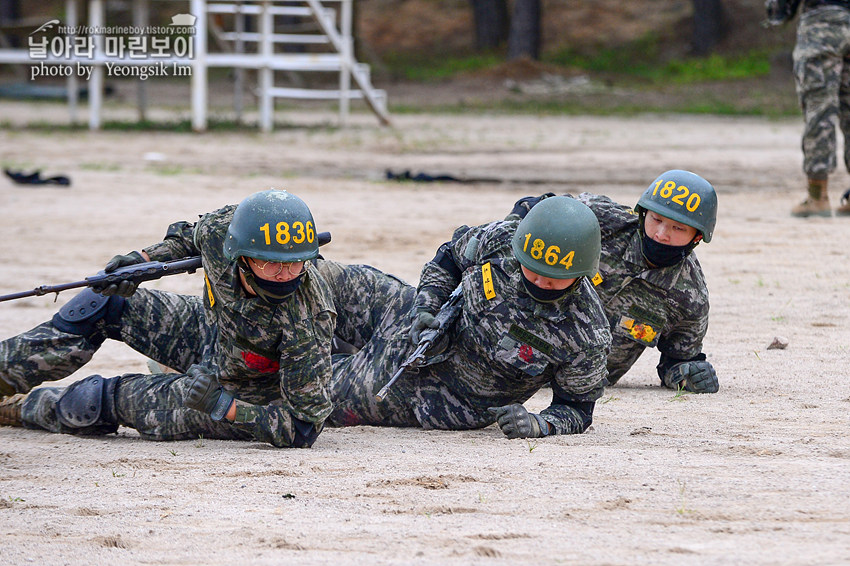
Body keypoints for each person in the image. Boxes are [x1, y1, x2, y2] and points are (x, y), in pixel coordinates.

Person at [0, 189, 335, 448]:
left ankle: (20, 409)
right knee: (103, 302)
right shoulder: (225, 232)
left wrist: (225, 407)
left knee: (106, 398)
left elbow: (303, 427)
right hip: (213, 333)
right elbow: (188, 238)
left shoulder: (308, 318)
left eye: (295, 263)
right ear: (242, 256)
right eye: (271, 263)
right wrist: (140, 262)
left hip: (243, 390)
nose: (285, 274)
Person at [318, 196, 612, 439]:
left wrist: (538, 424)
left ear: (580, 274)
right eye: (532, 270)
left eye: (554, 279)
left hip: (430, 393)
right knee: (320, 278)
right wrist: (427, 306)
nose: (540, 282)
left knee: (309, 388)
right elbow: (448, 258)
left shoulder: (587, 333)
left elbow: (577, 409)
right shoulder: (503, 238)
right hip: (413, 316)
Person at [505, 170, 719, 394]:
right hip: (508, 358)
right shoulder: (602, 220)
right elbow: (534, 209)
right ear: (643, 214)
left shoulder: (691, 298)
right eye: (656, 219)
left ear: (696, 237)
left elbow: (675, 362)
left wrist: (689, 375)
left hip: (576, 385)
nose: (661, 234)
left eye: (678, 228)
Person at [766, 0, 850, 217]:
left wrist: (777, 11)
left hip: (821, 27)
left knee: (819, 110)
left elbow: (779, 9)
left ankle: (817, 196)